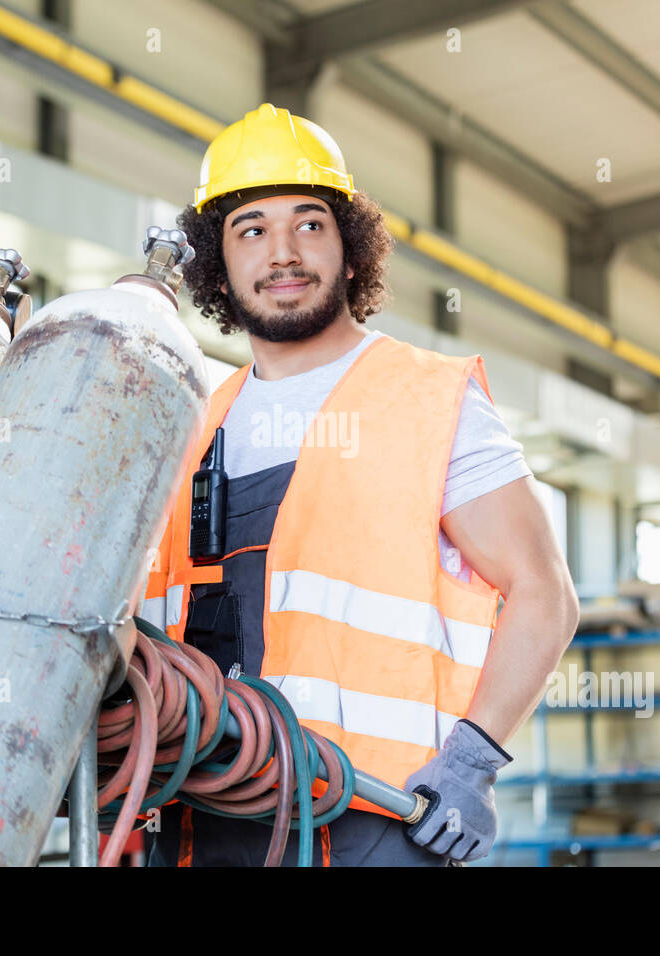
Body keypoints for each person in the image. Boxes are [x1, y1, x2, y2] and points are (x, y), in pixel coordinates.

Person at [138, 103, 579, 866]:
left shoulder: (426, 400)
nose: (283, 252)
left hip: (376, 821)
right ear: (217, 263)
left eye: (309, 224)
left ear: (350, 251)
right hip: (197, 824)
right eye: (251, 229)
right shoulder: (191, 423)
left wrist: (473, 762)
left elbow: (545, 593)